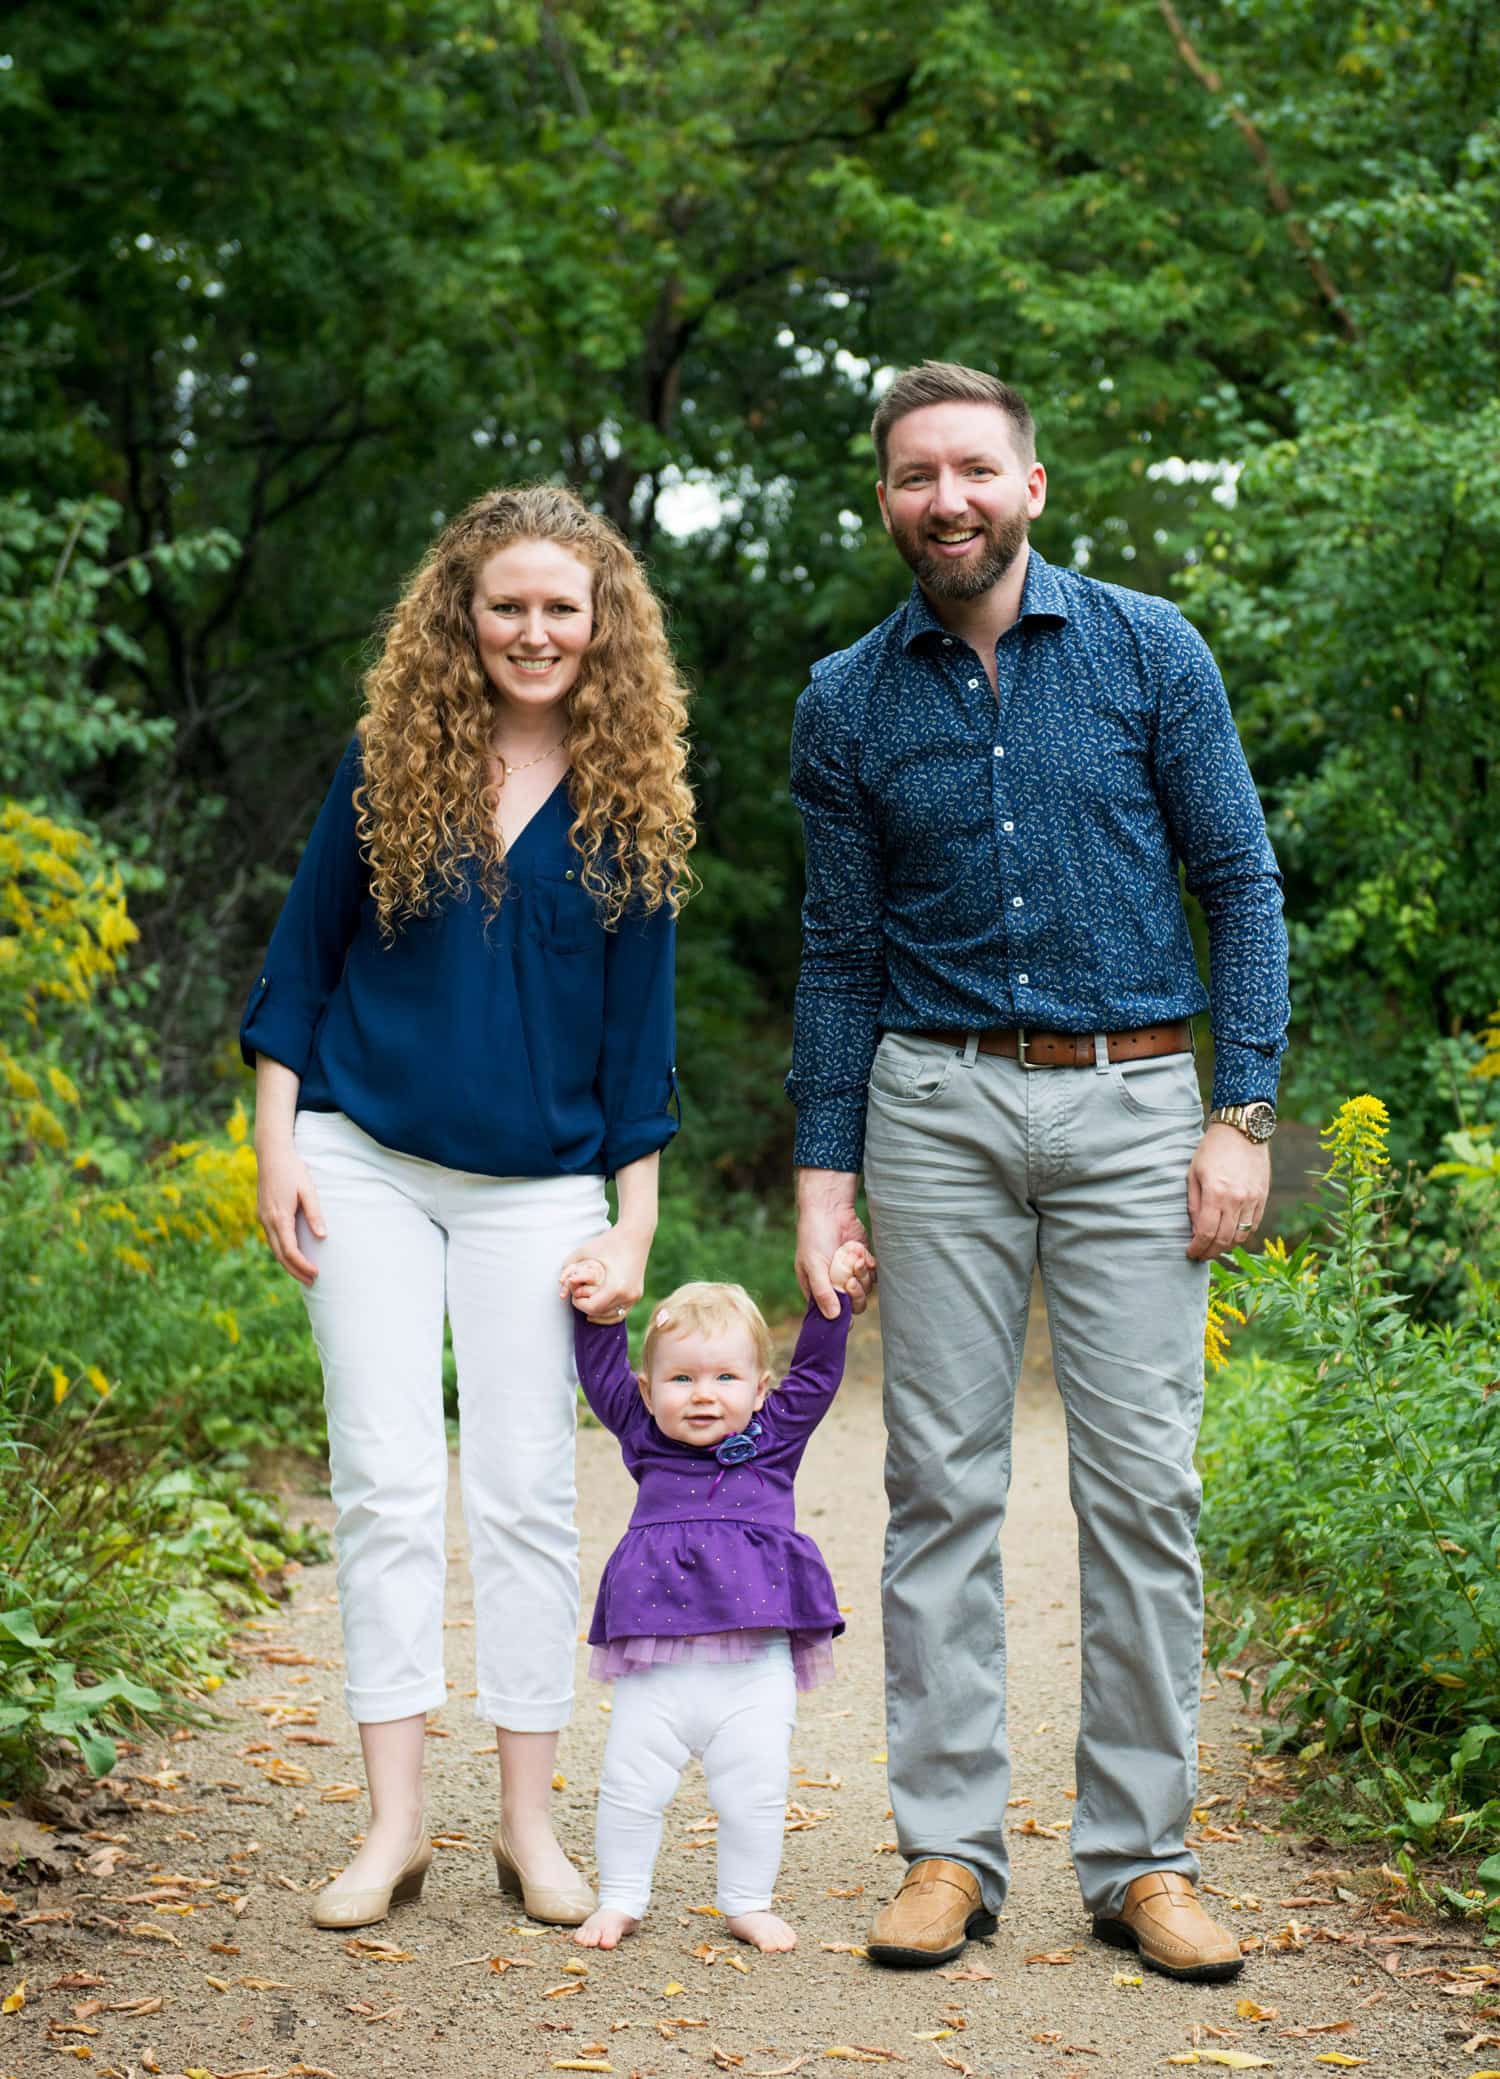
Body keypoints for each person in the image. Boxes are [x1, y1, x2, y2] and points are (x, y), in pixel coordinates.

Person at [788, 362, 1289, 1978]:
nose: (949, 499)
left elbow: (1243, 881)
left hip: (1138, 1098)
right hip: (930, 1108)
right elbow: (838, 953)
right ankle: (948, 1845)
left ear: (1032, 482)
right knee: (942, 1483)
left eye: (976, 469)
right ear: (886, 499)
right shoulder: (846, 700)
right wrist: (822, 1174)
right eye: (918, 475)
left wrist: (1245, 1110)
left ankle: (1143, 1856)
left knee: (1143, 1486)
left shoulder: (1151, 648)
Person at [241, 484, 694, 1932]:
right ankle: (390, 1826)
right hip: (362, 1155)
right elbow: (299, 963)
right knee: (381, 1479)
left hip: (543, 1189)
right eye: (508, 604)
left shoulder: (633, 799)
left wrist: (632, 1226)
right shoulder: (389, 761)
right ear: (464, 612)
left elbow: (641, 1046)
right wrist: (276, 1143)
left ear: (602, 621)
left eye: (563, 606)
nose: (535, 630)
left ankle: (525, 1825)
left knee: (523, 1492)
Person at [561, 1253, 868, 1952]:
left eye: (726, 1377)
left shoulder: (772, 1441)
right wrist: (599, 1311)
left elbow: (818, 1375)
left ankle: (747, 1902)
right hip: (656, 1666)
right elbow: (602, 1376)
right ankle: (620, 1897)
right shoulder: (645, 1438)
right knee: (630, 1782)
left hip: (752, 1668)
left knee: (755, 1787)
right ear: (649, 1388)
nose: (704, 1395)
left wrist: (833, 1299)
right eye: (682, 1378)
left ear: (761, 1389)